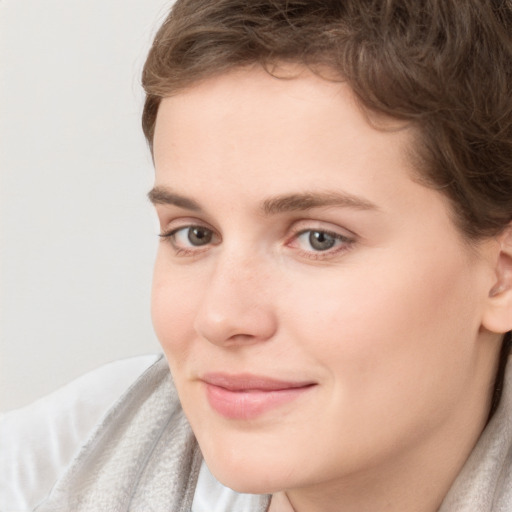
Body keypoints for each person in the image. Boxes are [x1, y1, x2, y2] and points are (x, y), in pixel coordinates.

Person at [1, 0, 512, 511]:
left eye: (319, 239)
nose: (220, 317)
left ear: (501, 276)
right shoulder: (45, 470)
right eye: (195, 235)